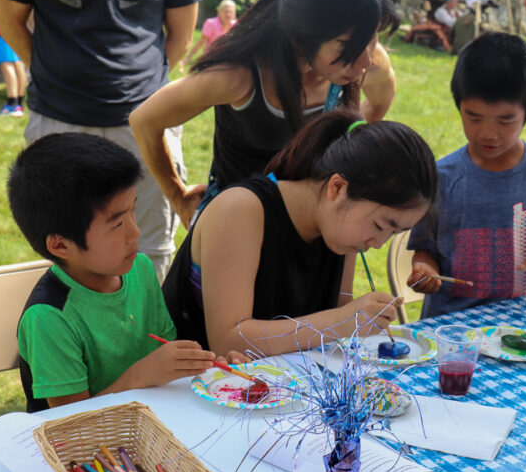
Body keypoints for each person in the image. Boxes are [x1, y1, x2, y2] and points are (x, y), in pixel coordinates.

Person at [129, 0, 400, 230]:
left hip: (311, 232)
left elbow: (379, 102)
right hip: (236, 232)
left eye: (370, 38)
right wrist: (178, 195)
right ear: (301, 37)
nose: (365, 60)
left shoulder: (367, 61)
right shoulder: (239, 77)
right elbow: (145, 120)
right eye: (347, 44)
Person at [0, 0, 202, 279]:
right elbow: (9, 21)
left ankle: (147, 331)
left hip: (145, 127)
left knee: (149, 250)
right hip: (60, 121)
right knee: (65, 249)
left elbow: (182, 34)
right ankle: (68, 332)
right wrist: (55, 76)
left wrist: (138, 92)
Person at [162, 110, 438, 358]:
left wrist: (361, 317)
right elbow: (228, 342)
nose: (378, 243)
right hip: (188, 394)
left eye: (394, 232)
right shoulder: (240, 210)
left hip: (276, 392)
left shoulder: (341, 232)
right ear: (337, 188)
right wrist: (344, 319)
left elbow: (335, 317)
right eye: (380, 225)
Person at [7, 133, 218, 412]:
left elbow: (164, 355)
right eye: (117, 224)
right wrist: (140, 376)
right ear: (60, 245)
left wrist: (213, 369)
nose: (136, 231)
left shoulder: (139, 268)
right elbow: (71, 424)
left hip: (149, 426)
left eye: (133, 210)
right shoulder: (48, 318)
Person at [407, 32, 526, 319]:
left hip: (523, 324)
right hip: (452, 328)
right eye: (473, 117)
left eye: (505, 120)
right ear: (458, 106)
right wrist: (424, 272)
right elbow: (424, 251)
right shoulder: (441, 177)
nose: (488, 133)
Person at [181, 0, 237, 70]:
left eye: (231, 12)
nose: (228, 14)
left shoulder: (236, 25)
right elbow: (201, 42)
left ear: (234, 13)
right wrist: (188, 58)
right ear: (219, 12)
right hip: (211, 57)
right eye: (226, 12)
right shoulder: (211, 23)